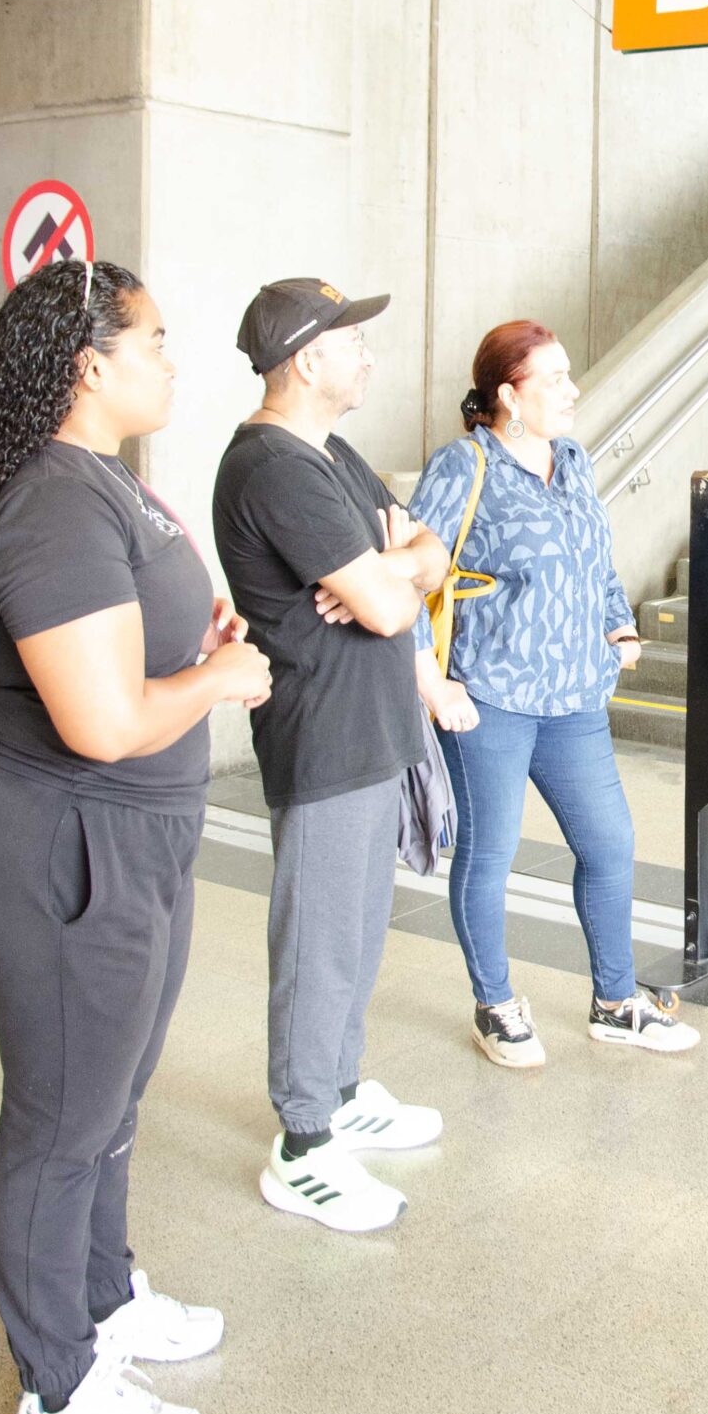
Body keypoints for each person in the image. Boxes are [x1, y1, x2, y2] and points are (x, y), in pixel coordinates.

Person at [0, 257, 272, 1414]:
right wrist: (220, 679)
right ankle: (58, 1391)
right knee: (62, 1121)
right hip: (65, 848)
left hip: (129, 839)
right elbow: (107, 722)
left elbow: (129, 649)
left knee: (110, 1100)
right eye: (157, 341)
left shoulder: (96, 481)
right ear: (90, 366)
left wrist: (197, 639)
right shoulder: (55, 503)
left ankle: (106, 1298)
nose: (174, 360)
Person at [212, 279, 450, 1235]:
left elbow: (429, 554)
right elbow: (398, 604)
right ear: (306, 360)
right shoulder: (272, 468)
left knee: (355, 934)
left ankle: (342, 1090)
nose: (367, 356)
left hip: (372, 726)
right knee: (317, 942)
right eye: (352, 342)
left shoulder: (332, 454)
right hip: (323, 733)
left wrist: (389, 570)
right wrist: (392, 580)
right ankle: (305, 1139)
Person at [408, 322, 698, 1064]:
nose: (572, 391)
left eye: (571, 375)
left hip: (574, 696)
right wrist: (432, 683)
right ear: (507, 394)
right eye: (554, 379)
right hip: (491, 694)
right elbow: (409, 578)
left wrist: (617, 623)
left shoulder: (571, 458)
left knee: (609, 843)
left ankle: (615, 1000)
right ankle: (496, 1004)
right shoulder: (463, 466)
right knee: (490, 853)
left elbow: (595, 557)